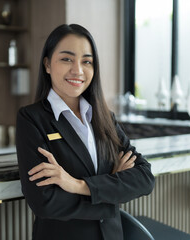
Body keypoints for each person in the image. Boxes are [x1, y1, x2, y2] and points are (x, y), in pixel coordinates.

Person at [16, 24, 155, 240]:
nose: (78, 70)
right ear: (47, 64)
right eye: (66, 59)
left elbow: (145, 178)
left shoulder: (104, 118)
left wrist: (77, 185)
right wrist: (110, 194)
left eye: (86, 61)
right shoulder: (32, 119)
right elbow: (45, 202)